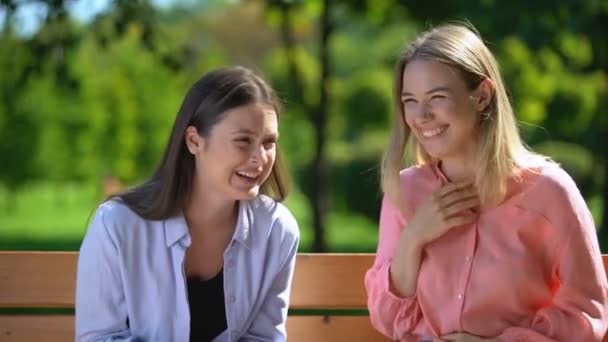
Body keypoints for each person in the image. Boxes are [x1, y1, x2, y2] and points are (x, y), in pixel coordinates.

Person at [364, 24, 608, 341]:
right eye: (410, 100)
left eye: (436, 97)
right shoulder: (406, 191)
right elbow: (388, 319)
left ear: (482, 95)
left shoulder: (549, 192)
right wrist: (412, 239)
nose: (420, 115)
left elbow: (586, 311)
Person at [76, 66, 300, 342]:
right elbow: (98, 338)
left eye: (268, 143)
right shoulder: (116, 225)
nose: (261, 158)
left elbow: (265, 338)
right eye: (243, 141)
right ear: (194, 140)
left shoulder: (276, 230)